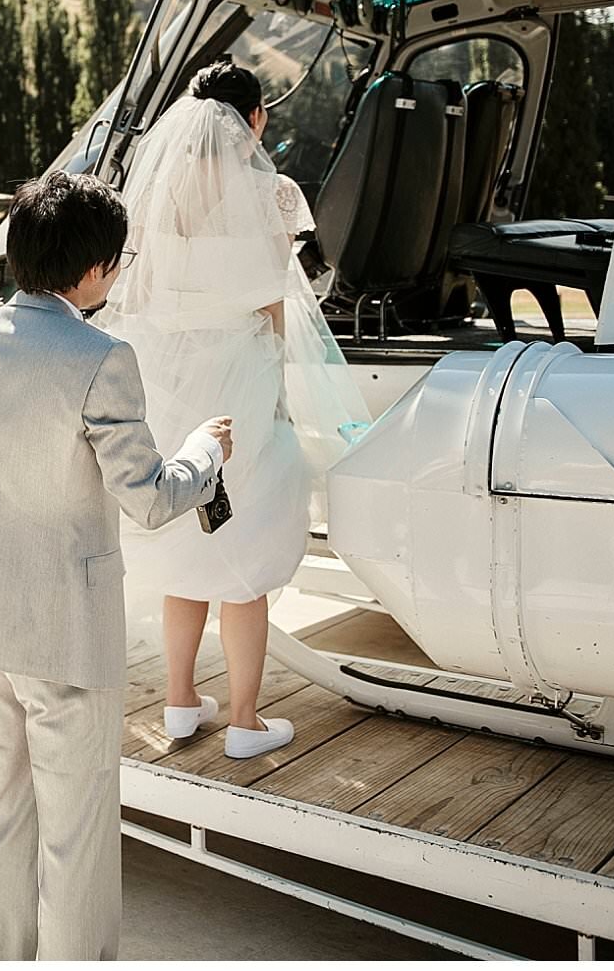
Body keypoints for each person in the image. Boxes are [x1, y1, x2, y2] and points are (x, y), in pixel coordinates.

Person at [0, 171, 233, 961]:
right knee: (78, 835)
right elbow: (150, 498)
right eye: (115, 261)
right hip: (65, 628)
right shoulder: (101, 355)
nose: (116, 274)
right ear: (91, 271)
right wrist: (205, 452)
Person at [99, 60, 369, 762]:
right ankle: (246, 720)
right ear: (254, 121)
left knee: (189, 540)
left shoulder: (157, 196)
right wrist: (276, 391)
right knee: (244, 553)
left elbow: (146, 298)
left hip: (171, 389)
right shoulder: (272, 194)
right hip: (241, 388)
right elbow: (273, 302)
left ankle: (181, 701)